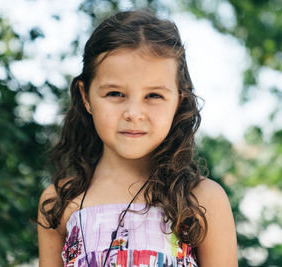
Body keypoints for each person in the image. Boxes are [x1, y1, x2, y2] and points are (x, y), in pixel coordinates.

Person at [37, 10, 237, 267]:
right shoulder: (59, 202)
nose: (134, 114)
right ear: (86, 97)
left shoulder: (201, 199)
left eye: (153, 96)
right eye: (115, 93)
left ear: (179, 99)